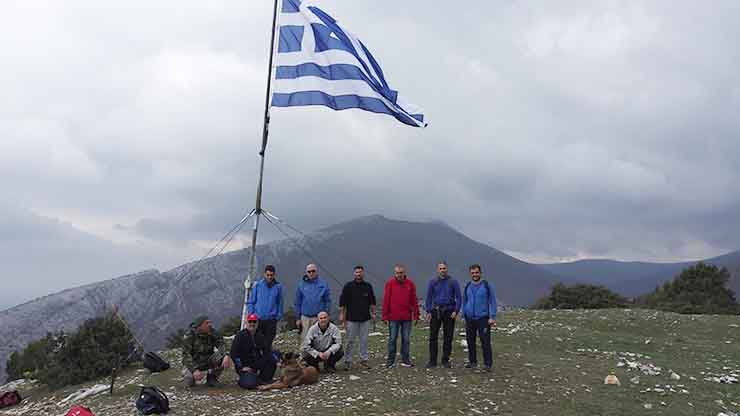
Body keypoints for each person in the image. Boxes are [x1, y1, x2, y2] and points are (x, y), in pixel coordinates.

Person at [338, 265, 377, 370]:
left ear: (363, 273)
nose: (358, 274)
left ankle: (364, 360)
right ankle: (347, 361)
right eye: (357, 272)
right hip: (351, 319)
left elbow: (372, 301)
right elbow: (342, 302)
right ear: (354, 273)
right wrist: (342, 315)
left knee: (364, 340)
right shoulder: (348, 286)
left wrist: (373, 313)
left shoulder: (368, 286)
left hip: (365, 318)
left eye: (360, 272)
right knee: (350, 340)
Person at [425, 261, 462, 368]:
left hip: (449, 311)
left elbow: (459, 297)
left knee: (448, 336)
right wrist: (428, 311)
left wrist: (456, 311)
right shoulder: (433, 282)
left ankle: (445, 359)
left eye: (444, 268)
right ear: (438, 270)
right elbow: (429, 297)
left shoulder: (453, 282)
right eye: (441, 268)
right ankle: (432, 360)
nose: (443, 270)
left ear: (447, 269)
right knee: (433, 336)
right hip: (436, 311)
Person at [381, 264, 419, 368]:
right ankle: (390, 360)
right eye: (397, 273)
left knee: (406, 339)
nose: (399, 275)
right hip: (393, 317)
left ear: (404, 273)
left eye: (401, 273)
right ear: (395, 273)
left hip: (406, 317)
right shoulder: (390, 284)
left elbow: (414, 300)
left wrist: (416, 314)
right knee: (392, 339)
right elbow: (386, 300)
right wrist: (384, 315)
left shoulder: (410, 284)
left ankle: (406, 360)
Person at [462, 264, 497, 371]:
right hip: (470, 318)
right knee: (470, 341)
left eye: (476, 272)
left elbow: (492, 301)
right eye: (472, 273)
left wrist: (492, 316)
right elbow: (465, 301)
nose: (475, 274)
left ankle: (487, 364)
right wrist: (463, 314)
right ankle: (472, 362)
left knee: (485, 341)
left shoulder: (487, 285)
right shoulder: (468, 286)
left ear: (480, 273)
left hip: (483, 318)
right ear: (470, 274)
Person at [181, 316, 233, 387]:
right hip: (194, 362)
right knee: (189, 382)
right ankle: (191, 378)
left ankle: (212, 378)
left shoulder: (212, 332)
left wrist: (226, 355)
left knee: (222, 357)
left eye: (210, 322)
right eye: (207, 323)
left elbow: (221, 344)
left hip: (208, 360)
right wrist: (194, 370)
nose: (210, 324)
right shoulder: (190, 335)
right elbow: (186, 355)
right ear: (199, 326)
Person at [230, 313, 278, 389]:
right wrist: (241, 367)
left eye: (254, 322)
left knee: (273, 358)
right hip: (246, 366)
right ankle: (249, 380)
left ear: (257, 323)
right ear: (246, 323)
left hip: (257, 365)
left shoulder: (260, 336)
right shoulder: (240, 336)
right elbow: (234, 353)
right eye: (250, 321)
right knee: (250, 384)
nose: (252, 324)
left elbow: (267, 350)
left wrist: (276, 359)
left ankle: (262, 379)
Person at [246, 264, 283, 352]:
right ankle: (257, 362)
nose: (269, 277)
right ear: (264, 274)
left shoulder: (278, 287)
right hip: (258, 320)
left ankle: (266, 362)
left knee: (268, 344)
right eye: (268, 275)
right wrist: (252, 315)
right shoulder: (258, 286)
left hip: (271, 321)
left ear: (274, 275)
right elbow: (251, 301)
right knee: (257, 343)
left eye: (271, 275)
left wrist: (278, 316)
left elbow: (280, 303)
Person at [294, 263, 332, 342]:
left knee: (318, 340)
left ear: (316, 272)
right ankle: (304, 354)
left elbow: (327, 301)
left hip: (318, 318)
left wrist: (326, 315)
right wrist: (298, 318)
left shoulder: (323, 284)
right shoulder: (301, 285)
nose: (311, 273)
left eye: (313, 271)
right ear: (306, 272)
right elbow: (297, 302)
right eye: (309, 271)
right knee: (305, 340)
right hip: (305, 318)